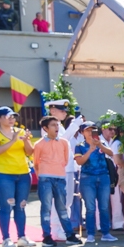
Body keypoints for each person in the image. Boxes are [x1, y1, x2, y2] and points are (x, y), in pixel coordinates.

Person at [31, 115, 77, 245]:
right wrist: (42, 174)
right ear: (45, 128)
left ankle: (70, 235)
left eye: (57, 125)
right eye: (53, 125)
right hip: (45, 178)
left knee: (62, 207)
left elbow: (65, 159)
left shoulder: (64, 142)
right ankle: (47, 236)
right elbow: (36, 163)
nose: (56, 127)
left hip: (60, 178)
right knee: (46, 207)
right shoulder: (39, 144)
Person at [46, 99, 88, 239]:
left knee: (67, 201)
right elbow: (60, 141)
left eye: (65, 111)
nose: (65, 113)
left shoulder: (60, 126)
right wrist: (75, 125)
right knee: (59, 200)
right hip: (58, 168)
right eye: (61, 110)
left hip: (68, 167)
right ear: (52, 111)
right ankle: (56, 229)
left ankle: (65, 228)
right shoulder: (47, 125)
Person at [73, 124, 118, 243]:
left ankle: (106, 233)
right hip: (87, 178)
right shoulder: (79, 146)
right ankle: (90, 234)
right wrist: (90, 150)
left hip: (103, 177)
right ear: (82, 132)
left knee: (104, 207)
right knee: (90, 208)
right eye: (87, 130)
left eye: (93, 130)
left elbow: (111, 153)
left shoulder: (101, 142)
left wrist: (100, 145)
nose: (90, 132)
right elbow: (80, 162)